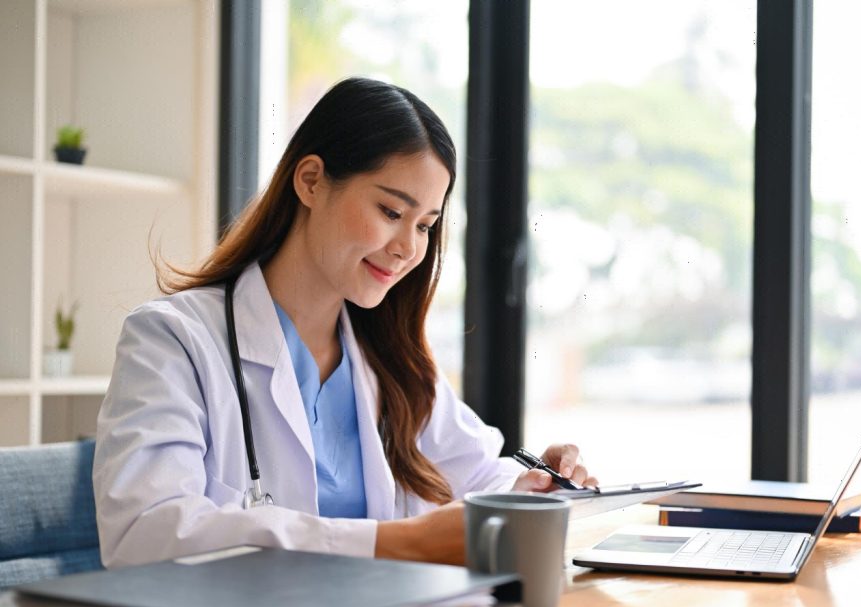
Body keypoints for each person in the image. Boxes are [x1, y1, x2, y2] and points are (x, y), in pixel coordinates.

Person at [93, 77, 596, 569]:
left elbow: (478, 475)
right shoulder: (173, 341)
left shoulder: (390, 359)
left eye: (424, 225)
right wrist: (396, 542)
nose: (408, 248)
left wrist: (537, 483)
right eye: (391, 210)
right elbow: (145, 533)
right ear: (310, 181)